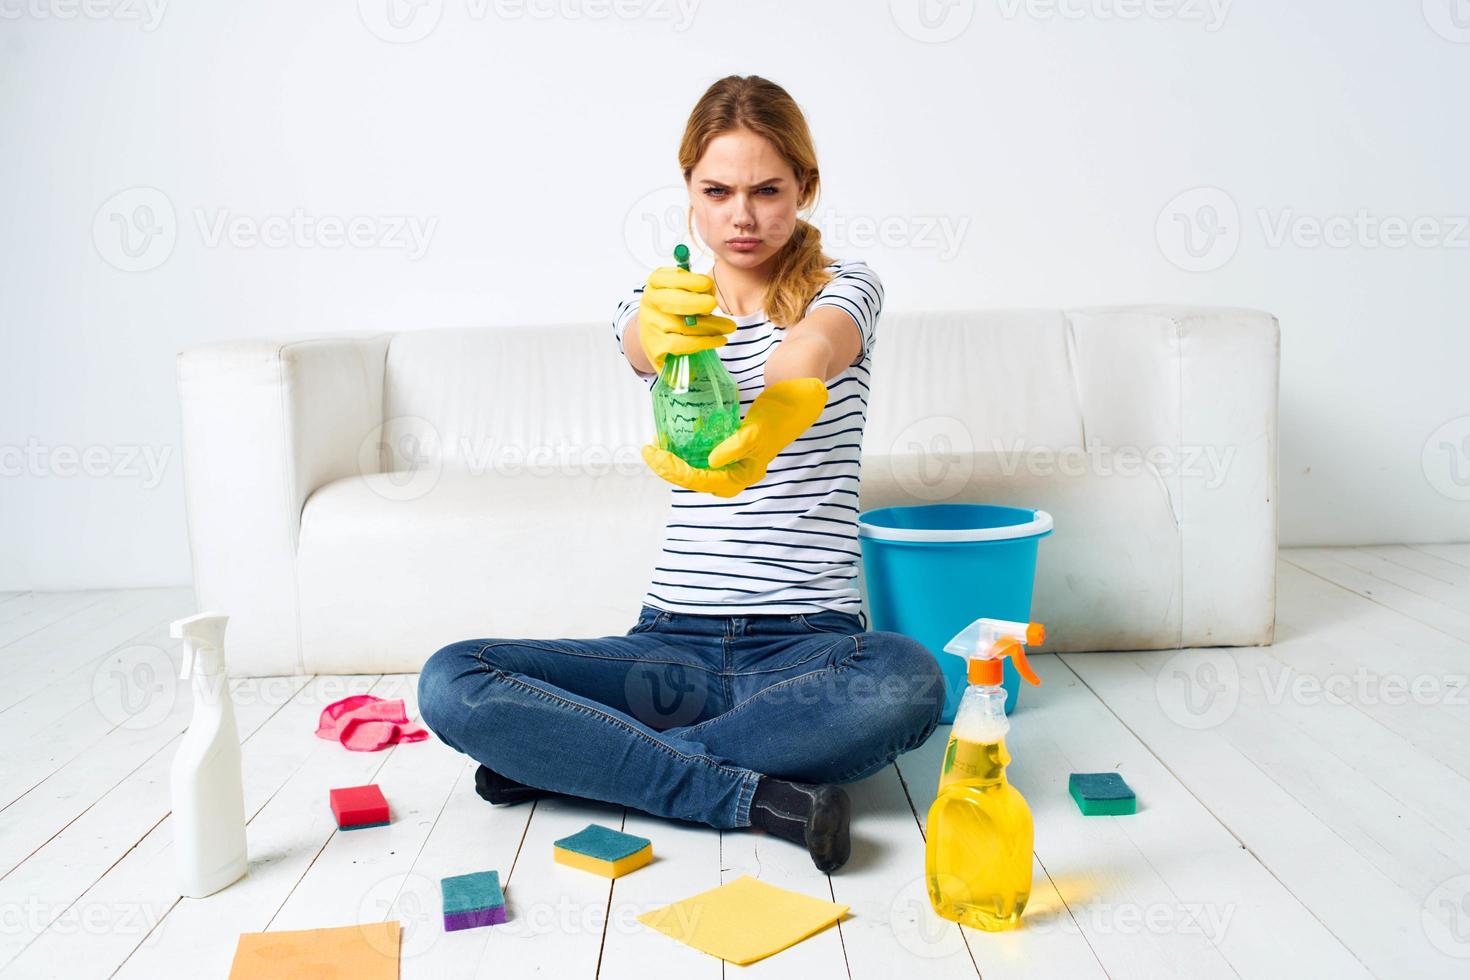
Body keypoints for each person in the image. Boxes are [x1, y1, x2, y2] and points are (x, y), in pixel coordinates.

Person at [418, 74, 943, 873]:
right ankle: (750, 794)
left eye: (768, 190)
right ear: (690, 194)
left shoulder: (848, 287)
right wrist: (664, 329)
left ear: (806, 187)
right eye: (718, 189)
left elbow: (813, 348)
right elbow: (644, 344)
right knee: (452, 678)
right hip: (671, 654)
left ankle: (587, 765)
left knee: (910, 682)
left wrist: (772, 418)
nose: (743, 214)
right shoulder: (654, 302)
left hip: (809, 653)